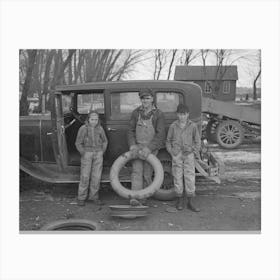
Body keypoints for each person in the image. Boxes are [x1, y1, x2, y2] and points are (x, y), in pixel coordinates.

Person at [127, 89, 165, 206]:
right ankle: (135, 198)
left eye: (147, 98)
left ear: (152, 99)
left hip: (150, 150)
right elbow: (130, 131)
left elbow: (160, 134)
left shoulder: (158, 114)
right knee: (136, 172)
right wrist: (132, 145)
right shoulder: (135, 113)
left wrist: (149, 148)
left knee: (147, 174)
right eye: (143, 98)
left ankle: (143, 198)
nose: (145, 100)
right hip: (137, 148)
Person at [166, 104, 201, 212]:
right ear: (177, 115)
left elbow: (197, 141)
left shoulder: (193, 126)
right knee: (177, 176)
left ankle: (190, 201)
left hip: (188, 154)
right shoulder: (173, 126)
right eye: (180, 114)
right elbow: (168, 141)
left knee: (190, 177)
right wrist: (172, 152)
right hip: (177, 154)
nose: (182, 117)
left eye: (184, 114)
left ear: (188, 114)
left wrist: (193, 151)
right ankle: (179, 200)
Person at [75, 110, 108, 206]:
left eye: (96, 120)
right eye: (92, 119)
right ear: (88, 119)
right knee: (85, 176)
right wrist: (83, 152)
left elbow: (105, 141)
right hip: (87, 154)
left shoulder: (100, 129)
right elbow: (78, 143)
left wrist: (102, 151)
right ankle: (81, 197)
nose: (94, 121)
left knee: (96, 176)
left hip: (98, 154)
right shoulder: (83, 128)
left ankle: (94, 197)